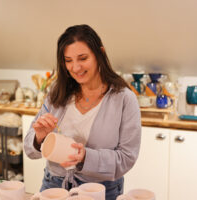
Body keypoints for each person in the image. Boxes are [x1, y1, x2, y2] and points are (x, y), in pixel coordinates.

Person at [24, 24, 141, 200]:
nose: (76, 68)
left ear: (99, 53)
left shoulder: (124, 99)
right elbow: (30, 150)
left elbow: (126, 158)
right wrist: (39, 138)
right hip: (54, 186)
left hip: (100, 191)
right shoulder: (58, 92)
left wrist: (85, 157)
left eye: (83, 58)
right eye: (68, 60)